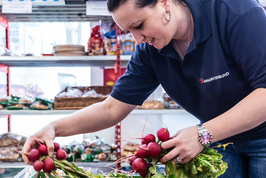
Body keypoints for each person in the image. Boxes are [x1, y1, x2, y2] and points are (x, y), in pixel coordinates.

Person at [22, 0, 266, 177]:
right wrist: (53, 129)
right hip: (220, 142)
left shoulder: (236, 12)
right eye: (129, 32)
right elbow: (111, 109)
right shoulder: (150, 50)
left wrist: (203, 133)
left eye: (139, 25)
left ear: (164, 3)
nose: (137, 39)